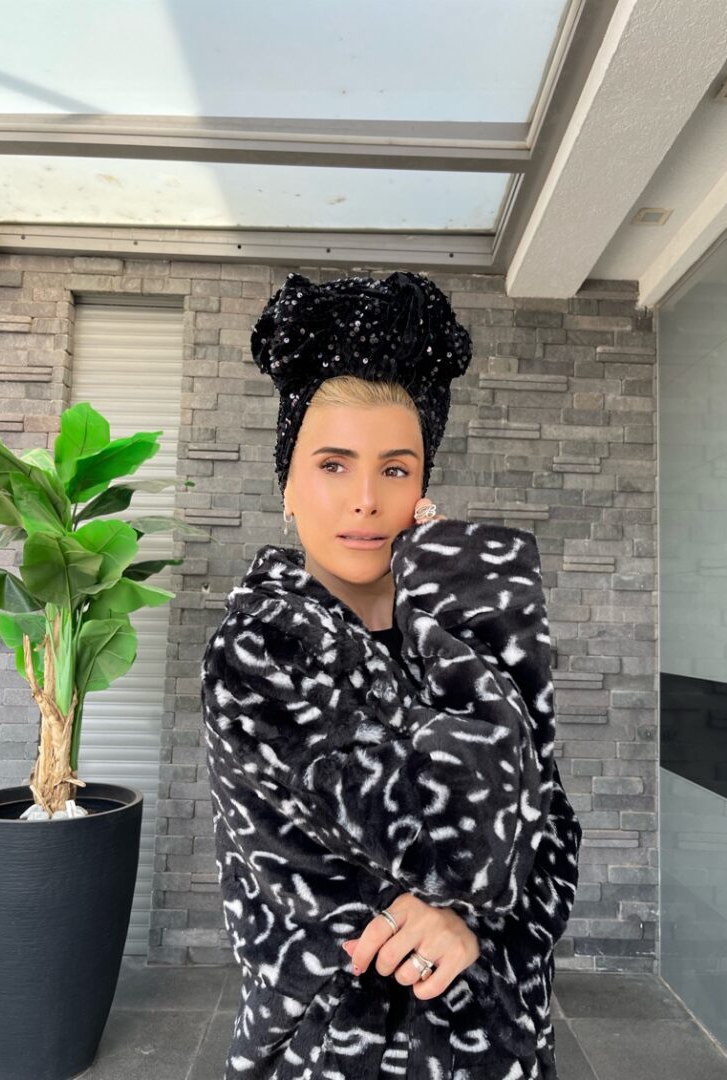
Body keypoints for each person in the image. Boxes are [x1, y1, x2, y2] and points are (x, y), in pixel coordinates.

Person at [200, 270, 582, 1080]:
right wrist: (457, 911)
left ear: (423, 488)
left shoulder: (459, 619)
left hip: (503, 1041)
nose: (366, 499)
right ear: (288, 485)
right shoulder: (260, 650)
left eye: (396, 469)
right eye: (334, 465)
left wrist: (456, 592)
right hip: (334, 1048)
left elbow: (549, 827)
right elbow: (464, 850)